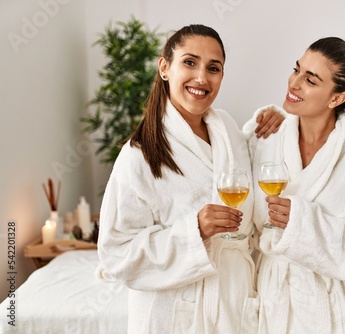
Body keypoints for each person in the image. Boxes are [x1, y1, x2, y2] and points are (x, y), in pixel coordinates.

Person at [97, 24, 281, 333]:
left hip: (233, 305)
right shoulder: (140, 154)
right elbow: (117, 253)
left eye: (214, 68)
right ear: (165, 67)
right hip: (172, 314)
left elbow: (248, 162)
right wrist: (193, 231)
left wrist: (273, 122)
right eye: (190, 62)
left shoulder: (227, 130)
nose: (201, 78)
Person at [243, 37, 345, 333]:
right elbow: (232, 189)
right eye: (297, 69)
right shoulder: (265, 137)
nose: (294, 82)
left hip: (331, 307)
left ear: (336, 98)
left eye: (311, 80)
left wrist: (302, 223)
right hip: (270, 298)